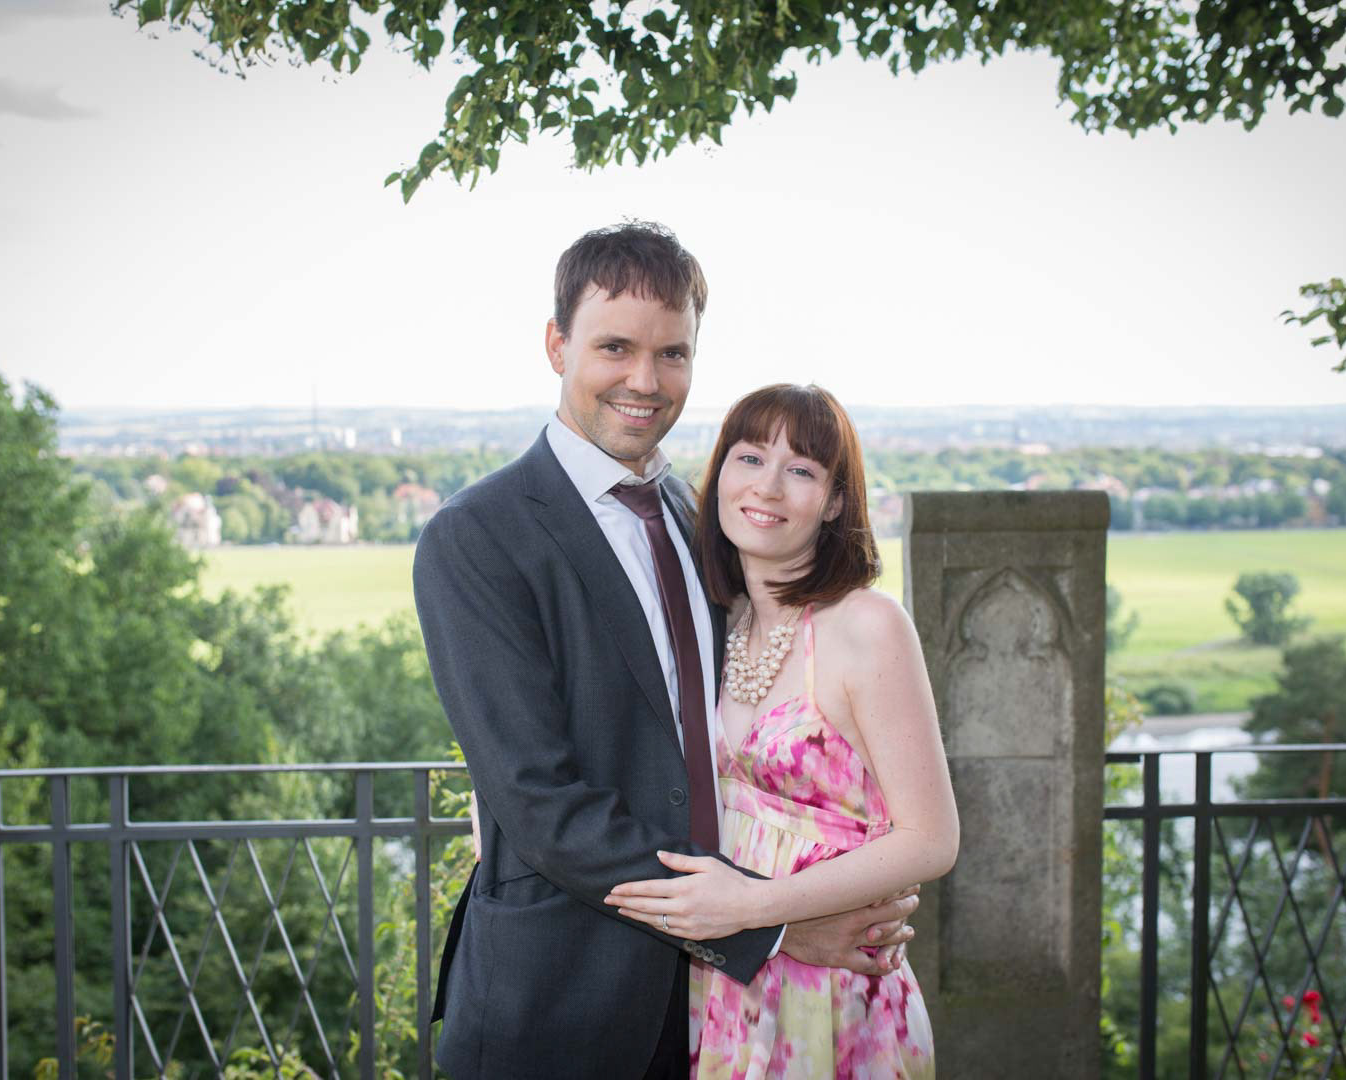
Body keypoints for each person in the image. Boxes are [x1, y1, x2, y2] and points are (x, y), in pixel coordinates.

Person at [411, 223, 921, 1080]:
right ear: (557, 345)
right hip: (560, 1004)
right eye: (615, 347)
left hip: (717, 1020)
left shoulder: (699, 515)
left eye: (672, 353)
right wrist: (771, 925)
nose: (645, 381)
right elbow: (539, 803)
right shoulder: (477, 537)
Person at [605, 383, 959, 1078]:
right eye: (750, 458)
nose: (767, 487)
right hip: (717, 985)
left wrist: (754, 906)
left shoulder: (866, 625)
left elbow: (931, 838)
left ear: (834, 501)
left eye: (800, 470)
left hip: (828, 995)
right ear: (720, 474)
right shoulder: (716, 621)